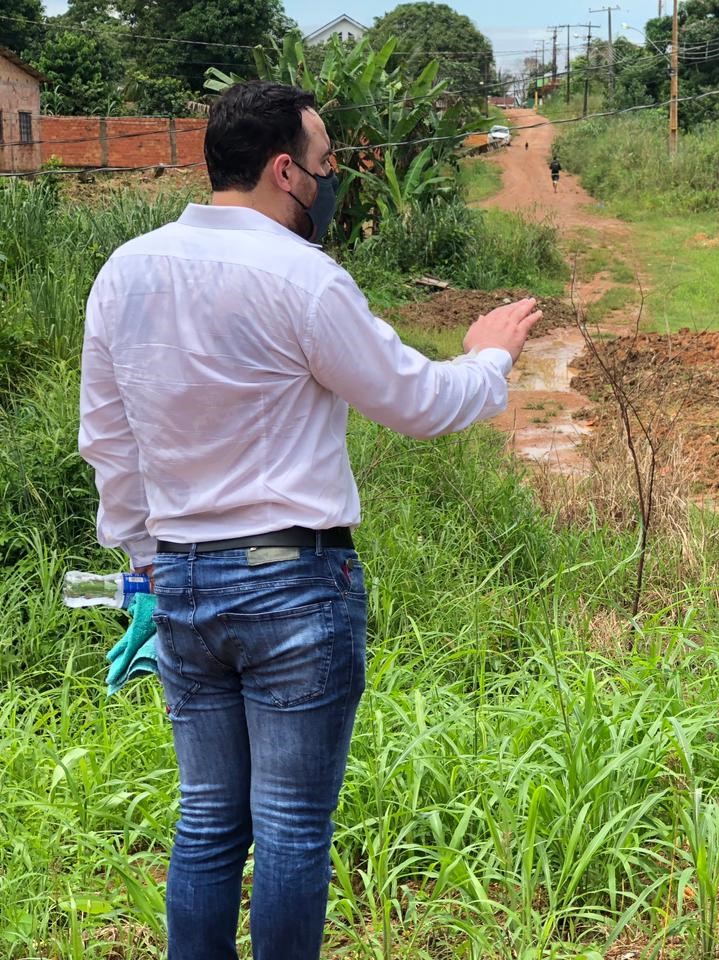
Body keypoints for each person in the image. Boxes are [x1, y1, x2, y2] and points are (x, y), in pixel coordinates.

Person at [78, 81, 541, 960]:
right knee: (290, 826)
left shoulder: (124, 272)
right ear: (286, 170)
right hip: (292, 584)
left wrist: (144, 566)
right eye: (326, 166)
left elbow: (108, 440)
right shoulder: (302, 277)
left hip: (179, 580)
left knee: (209, 818)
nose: (330, 184)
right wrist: (488, 359)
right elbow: (412, 399)